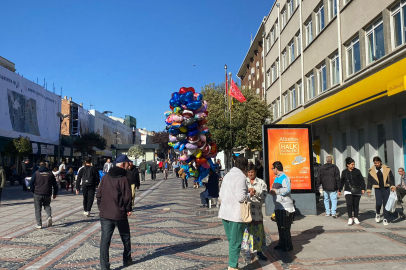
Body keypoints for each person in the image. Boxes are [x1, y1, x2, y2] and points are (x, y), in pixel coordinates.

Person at [96, 154, 133, 270]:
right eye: (127, 163)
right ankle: (127, 259)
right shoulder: (123, 178)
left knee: (105, 240)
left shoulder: (106, 177)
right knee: (125, 237)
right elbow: (127, 197)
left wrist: (100, 207)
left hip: (105, 213)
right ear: (123, 164)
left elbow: (99, 194)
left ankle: (104, 266)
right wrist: (128, 209)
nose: (129, 165)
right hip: (119, 213)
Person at [218, 156, 250, 270]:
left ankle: (232, 265)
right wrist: (249, 194)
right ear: (245, 167)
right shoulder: (240, 177)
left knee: (232, 241)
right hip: (235, 214)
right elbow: (241, 197)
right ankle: (232, 266)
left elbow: (221, 194)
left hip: (225, 212)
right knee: (235, 242)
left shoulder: (227, 175)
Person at [241, 164, 268, 261]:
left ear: (255, 172)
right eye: (249, 172)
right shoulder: (244, 182)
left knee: (258, 233)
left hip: (257, 212)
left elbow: (265, 195)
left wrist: (256, 193)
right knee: (247, 232)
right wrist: (248, 192)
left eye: (252, 172)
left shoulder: (261, 182)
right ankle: (247, 251)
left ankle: (259, 251)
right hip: (246, 213)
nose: (250, 174)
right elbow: (240, 194)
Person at [269, 161, 295, 251]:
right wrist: (272, 191)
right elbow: (276, 189)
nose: (272, 170)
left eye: (273, 168)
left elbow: (287, 189)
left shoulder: (285, 177)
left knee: (285, 227)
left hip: (286, 206)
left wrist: (276, 192)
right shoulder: (276, 178)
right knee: (280, 226)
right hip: (278, 206)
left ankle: (288, 245)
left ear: (276, 168)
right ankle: (281, 242)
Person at [367, 156, 396, 226]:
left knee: (386, 204)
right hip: (377, 189)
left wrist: (392, 186)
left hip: (386, 188)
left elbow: (391, 178)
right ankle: (377, 213)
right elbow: (369, 181)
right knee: (379, 203)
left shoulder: (386, 169)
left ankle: (385, 218)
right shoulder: (371, 171)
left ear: (380, 162)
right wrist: (369, 189)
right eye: (375, 163)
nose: (376, 164)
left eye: (378, 163)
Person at [28, 162, 58, 229]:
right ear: (46, 166)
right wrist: (55, 193)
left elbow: (31, 183)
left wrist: (32, 190)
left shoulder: (36, 173)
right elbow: (55, 184)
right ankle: (49, 216)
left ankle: (39, 224)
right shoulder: (50, 173)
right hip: (47, 192)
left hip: (37, 193)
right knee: (47, 205)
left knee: (38, 209)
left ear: (39, 166)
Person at [338, 157, 366, 225]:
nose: (353, 166)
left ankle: (356, 217)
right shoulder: (344, 172)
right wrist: (339, 189)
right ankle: (350, 218)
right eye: (352, 164)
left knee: (356, 204)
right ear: (348, 164)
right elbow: (342, 181)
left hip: (357, 190)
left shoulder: (357, 171)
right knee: (349, 204)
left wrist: (363, 188)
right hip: (348, 190)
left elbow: (361, 180)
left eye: (354, 164)